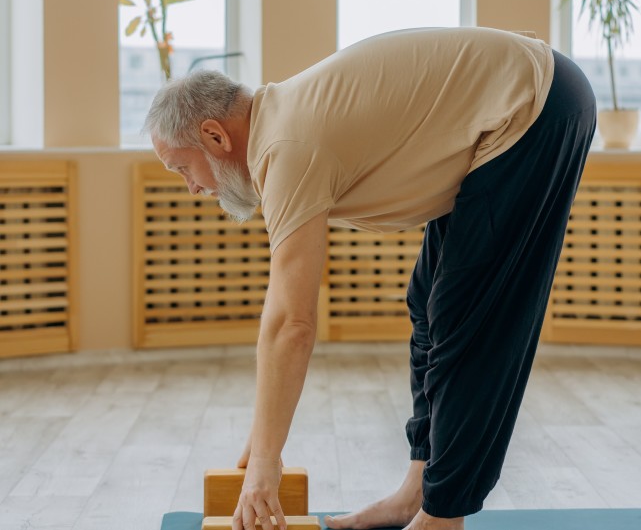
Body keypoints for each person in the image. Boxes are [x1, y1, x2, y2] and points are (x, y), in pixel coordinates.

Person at [144, 27, 596, 530]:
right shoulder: (281, 126)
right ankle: (417, 492)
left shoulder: (286, 146)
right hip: (508, 113)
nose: (191, 189)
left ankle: (442, 517)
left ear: (214, 136)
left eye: (182, 169)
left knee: (467, 322)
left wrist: (266, 465)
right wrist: (262, 444)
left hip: (535, 107)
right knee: (429, 304)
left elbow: (292, 322)